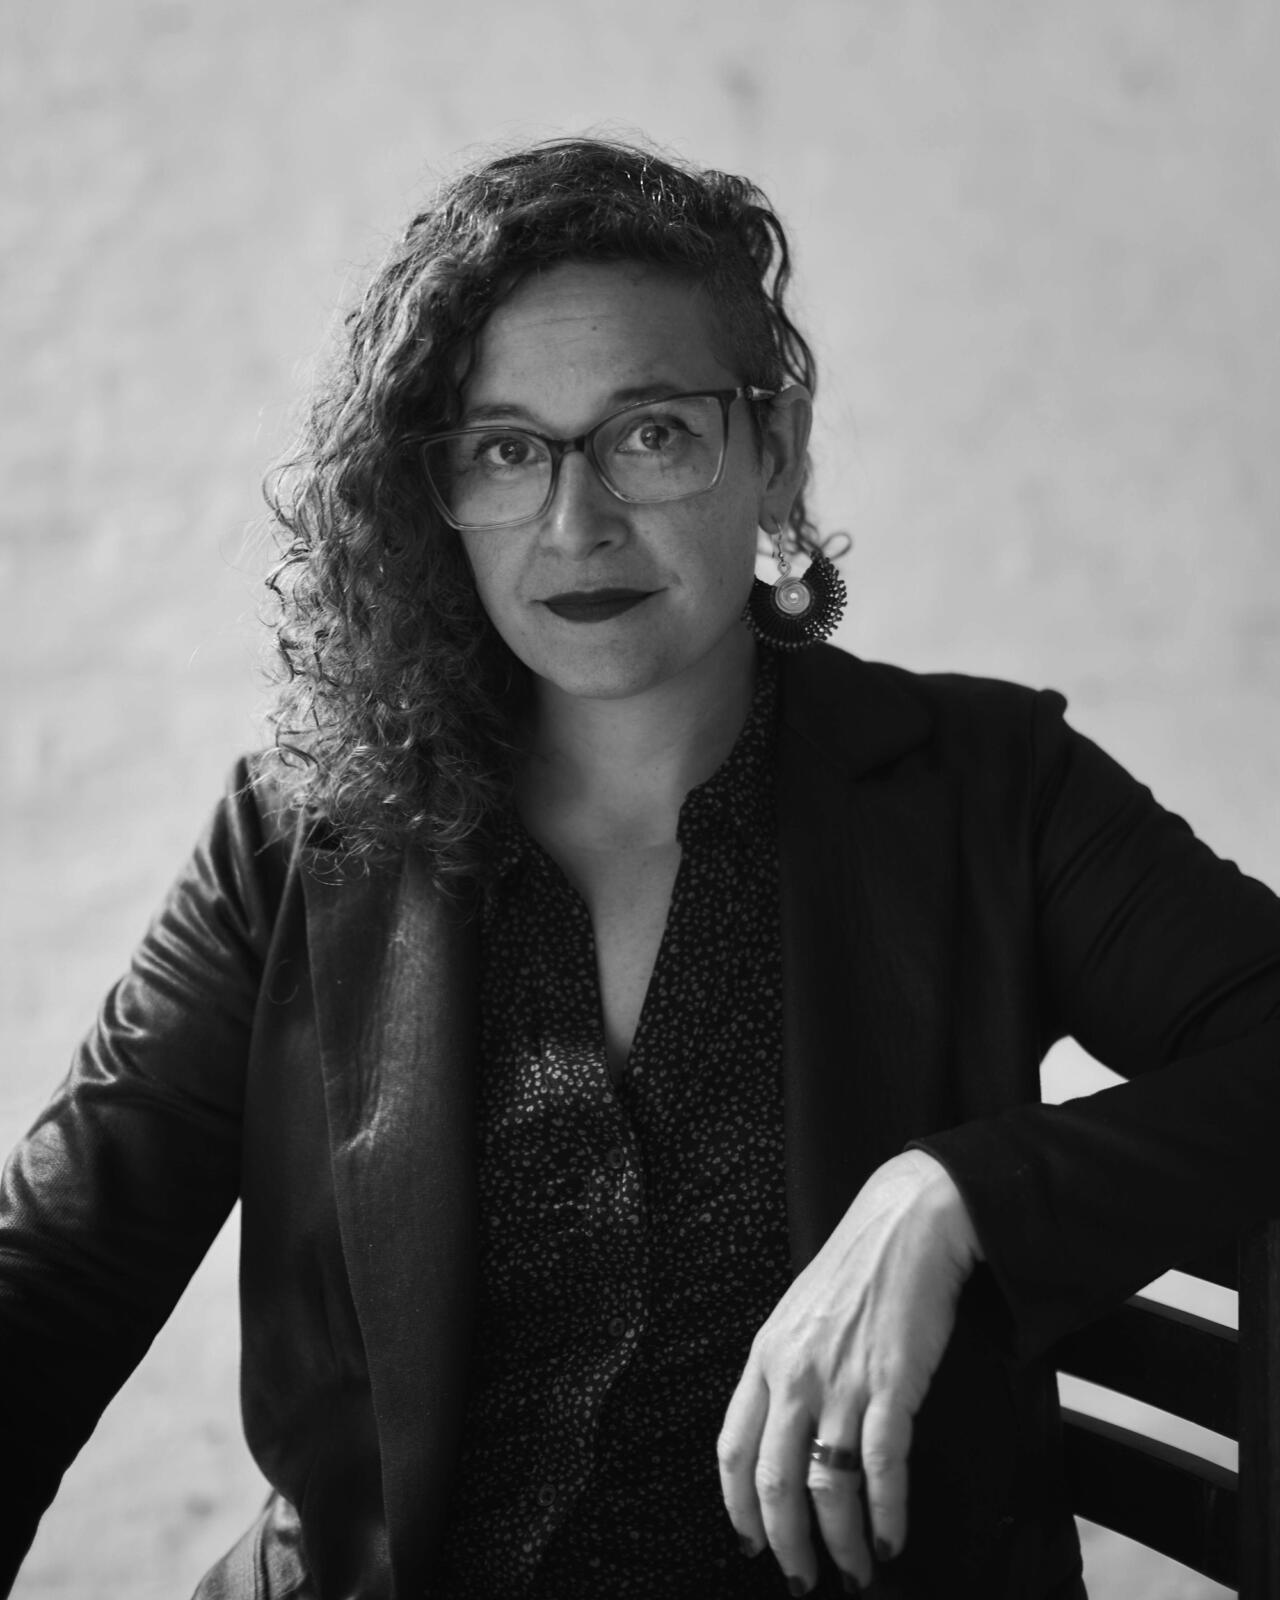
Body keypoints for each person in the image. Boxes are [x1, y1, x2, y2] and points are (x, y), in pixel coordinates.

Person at [2, 136, 1278, 1600]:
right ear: (436, 493)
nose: (576, 521)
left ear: (773, 447)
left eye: (650, 433)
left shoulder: (987, 790)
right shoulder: (298, 835)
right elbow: (57, 1271)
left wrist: (956, 1192)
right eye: (503, 449)